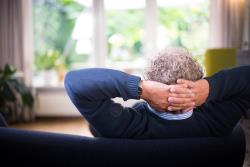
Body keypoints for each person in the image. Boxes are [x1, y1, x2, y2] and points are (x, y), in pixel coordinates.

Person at [64, 48, 250, 139]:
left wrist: (141, 89)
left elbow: (74, 82)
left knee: (95, 127)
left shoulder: (124, 128)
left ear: (152, 86)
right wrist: (210, 87)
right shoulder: (217, 123)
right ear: (196, 85)